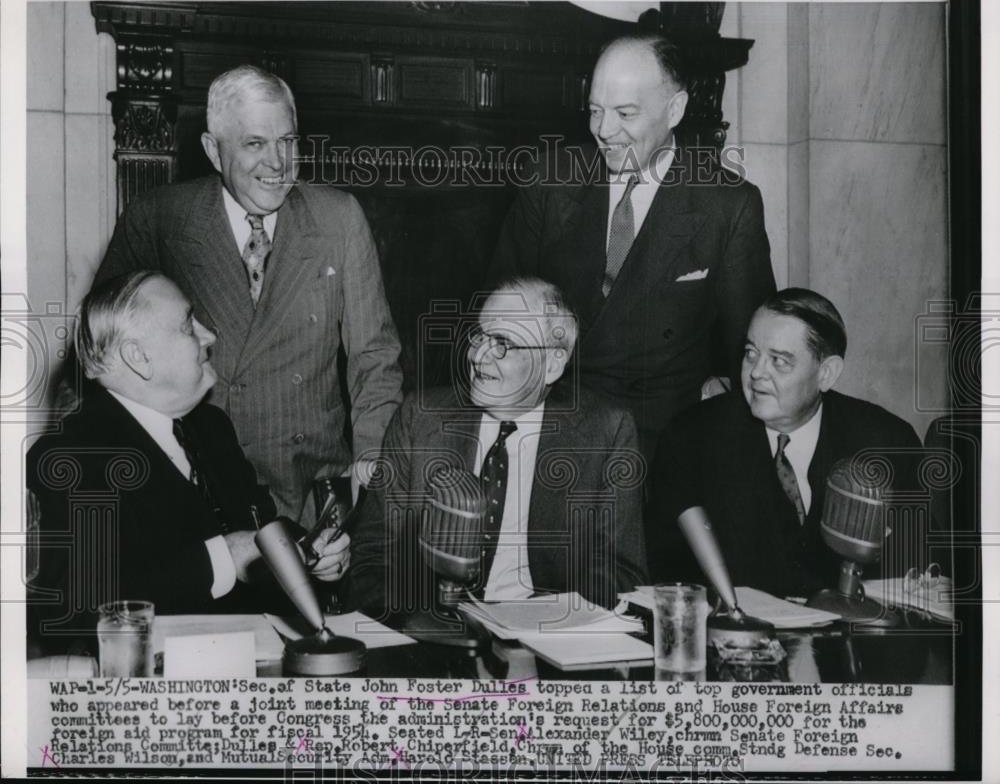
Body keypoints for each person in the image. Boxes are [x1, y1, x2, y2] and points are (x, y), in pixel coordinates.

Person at [93, 64, 403, 524]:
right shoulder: (159, 219)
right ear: (213, 152)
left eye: (288, 141)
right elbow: (100, 358)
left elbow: (375, 358)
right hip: (205, 493)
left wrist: (371, 462)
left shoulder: (338, 219)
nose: (278, 163)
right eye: (255, 144)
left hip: (313, 495)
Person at [26, 272, 349, 653]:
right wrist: (224, 557)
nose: (209, 335)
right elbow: (69, 616)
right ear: (139, 357)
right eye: (187, 325)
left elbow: (259, 528)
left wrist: (310, 552)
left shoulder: (211, 429)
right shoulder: (70, 458)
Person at [490, 33, 775, 458]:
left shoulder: (727, 204)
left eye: (625, 113)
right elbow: (499, 313)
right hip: (552, 423)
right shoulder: (549, 179)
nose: (604, 131)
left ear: (674, 109)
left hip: (665, 440)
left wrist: (723, 392)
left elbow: (752, 346)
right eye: (595, 111)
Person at [349, 277, 648, 615]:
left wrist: (537, 622)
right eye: (478, 337)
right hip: (434, 631)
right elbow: (372, 557)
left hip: (545, 639)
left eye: (503, 343)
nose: (478, 356)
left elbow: (621, 571)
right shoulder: (420, 420)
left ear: (552, 364)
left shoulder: (606, 432)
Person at [646, 288, 921, 597]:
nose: (756, 373)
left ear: (826, 374)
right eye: (751, 353)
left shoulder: (887, 443)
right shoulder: (691, 439)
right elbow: (667, 574)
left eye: (779, 361)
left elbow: (918, 571)